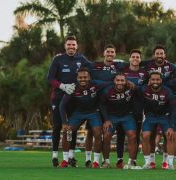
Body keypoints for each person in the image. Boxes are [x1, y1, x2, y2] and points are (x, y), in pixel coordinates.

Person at [47, 35, 91, 167]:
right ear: (65, 46)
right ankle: (55, 155)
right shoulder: (58, 59)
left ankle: (71, 155)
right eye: (69, 45)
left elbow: (93, 67)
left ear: (77, 46)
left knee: (72, 128)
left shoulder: (81, 59)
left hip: (73, 99)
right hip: (58, 97)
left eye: (73, 45)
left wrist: (111, 64)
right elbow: (50, 78)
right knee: (57, 126)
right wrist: (62, 86)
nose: (71, 47)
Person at [86, 44, 127, 168]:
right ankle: (89, 159)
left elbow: (135, 63)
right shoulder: (95, 65)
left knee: (113, 133)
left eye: (112, 52)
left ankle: (109, 160)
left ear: (115, 54)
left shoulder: (119, 66)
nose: (110, 54)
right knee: (92, 132)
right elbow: (84, 71)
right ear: (104, 53)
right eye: (108, 52)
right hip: (95, 104)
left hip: (112, 105)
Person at [59, 67, 108, 168]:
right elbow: (62, 105)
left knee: (98, 133)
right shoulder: (72, 88)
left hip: (94, 112)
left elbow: (110, 83)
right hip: (79, 113)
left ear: (89, 77)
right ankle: (65, 160)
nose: (83, 79)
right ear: (77, 78)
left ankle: (96, 162)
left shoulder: (96, 84)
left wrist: (127, 82)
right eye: (80, 77)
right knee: (67, 131)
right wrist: (64, 122)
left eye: (85, 77)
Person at [142, 45, 176, 169]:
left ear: (161, 80)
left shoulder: (168, 92)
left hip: (164, 116)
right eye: (153, 79)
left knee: (170, 135)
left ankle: (169, 163)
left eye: (157, 79)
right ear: (149, 80)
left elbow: (173, 109)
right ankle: (148, 162)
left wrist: (171, 126)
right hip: (150, 116)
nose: (155, 81)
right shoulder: (144, 89)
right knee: (145, 136)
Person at [100, 73, 138, 169]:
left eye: (122, 80)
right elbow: (102, 105)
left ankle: (131, 162)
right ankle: (106, 162)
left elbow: (142, 89)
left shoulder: (131, 88)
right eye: (118, 80)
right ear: (114, 81)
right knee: (106, 136)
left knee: (132, 136)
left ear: (126, 81)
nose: (120, 82)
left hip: (127, 116)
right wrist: (106, 120)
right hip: (112, 116)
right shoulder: (107, 91)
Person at [122, 49, 147, 164]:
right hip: (123, 106)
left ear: (140, 59)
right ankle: (119, 159)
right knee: (121, 134)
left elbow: (147, 88)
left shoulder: (144, 73)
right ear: (130, 59)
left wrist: (136, 87)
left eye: (138, 57)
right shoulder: (123, 71)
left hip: (138, 107)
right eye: (133, 57)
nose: (135, 59)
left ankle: (133, 160)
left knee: (135, 134)